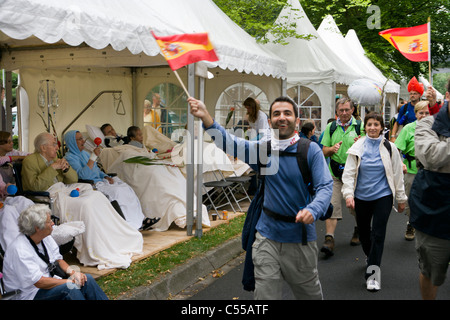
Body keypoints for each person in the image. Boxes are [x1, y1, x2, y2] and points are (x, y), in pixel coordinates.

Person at [188, 95, 333, 300]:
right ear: (270, 120)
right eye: (276, 114)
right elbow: (231, 143)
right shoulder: (263, 149)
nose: (281, 117)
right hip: (266, 238)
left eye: (287, 113)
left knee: (309, 296)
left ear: (297, 121)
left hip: (300, 240)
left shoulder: (310, 151)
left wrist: (313, 209)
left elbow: (325, 186)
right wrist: (206, 118)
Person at [20, 132, 143, 269]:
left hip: (64, 189)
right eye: (54, 144)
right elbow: (34, 186)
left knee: (97, 196)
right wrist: (53, 168)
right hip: (49, 195)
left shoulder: (58, 158)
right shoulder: (30, 161)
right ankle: (95, 247)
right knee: (86, 204)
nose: (57, 147)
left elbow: (73, 179)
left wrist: (66, 169)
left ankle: (112, 238)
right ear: (43, 148)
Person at [342, 112, 407, 291]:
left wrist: (401, 199)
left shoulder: (390, 147)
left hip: (383, 196)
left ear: (381, 127)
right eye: (369, 124)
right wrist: (348, 195)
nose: (372, 128)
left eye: (376, 125)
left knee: (378, 234)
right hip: (361, 197)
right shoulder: (357, 147)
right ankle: (371, 255)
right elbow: (348, 173)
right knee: (364, 234)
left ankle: (373, 274)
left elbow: (397, 174)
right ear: (365, 127)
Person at [2, 204, 109, 300]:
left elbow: (58, 260)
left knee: (87, 279)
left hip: (47, 283)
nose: (53, 223)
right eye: (49, 221)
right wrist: (68, 282)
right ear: (38, 228)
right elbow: (39, 282)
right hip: (28, 294)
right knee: (69, 288)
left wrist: (73, 273)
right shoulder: (19, 249)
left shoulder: (45, 237)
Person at [64, 130, 158, 231]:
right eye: (79, 139)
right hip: (90, 185)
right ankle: (128, 224)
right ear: (72, 142)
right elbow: (83, 175)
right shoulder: (69, 158)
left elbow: (96, 171)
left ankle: (140, 219)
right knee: (117, 192)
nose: (83, 141)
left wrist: (105, 176)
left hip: (101, 180)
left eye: (83, 138)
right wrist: (93, 157)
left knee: (126, 188)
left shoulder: (85, 154)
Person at [409, 79, 450, 300]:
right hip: (435, 212)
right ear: (448, 95)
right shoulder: (426, 123)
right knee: (431, 271)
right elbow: (432, 157)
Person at [320, 98, 365, 256]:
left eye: (347, 110)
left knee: (354, 205)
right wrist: (332, 149)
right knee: (331, 205)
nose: (344, 113)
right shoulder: (331, 127)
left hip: (354, 174)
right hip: (334, 173)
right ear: (337, 112)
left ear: (352, 110)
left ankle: (359, 229)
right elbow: (324, 151)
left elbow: (370, 148)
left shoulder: (360, 127)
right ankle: (329, 239)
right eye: (341, 110)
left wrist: (362, 143)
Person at [394, 101, 430, 241]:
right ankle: (411, 223)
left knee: (427, 199)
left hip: (428, 171)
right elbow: (396, 150)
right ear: (415, 114)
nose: (424, 115)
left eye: (427, 113)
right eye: (421, 113)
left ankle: (424, 225)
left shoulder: (434, 129)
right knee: (410, 199)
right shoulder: (408, 129)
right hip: (411, 170)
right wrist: (400, 164)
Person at [391, 76, 424, 142]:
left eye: (415, 94)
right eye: (411, 93)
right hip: (407, 137)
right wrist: (393, 136)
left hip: (421, 136)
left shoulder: (424, 107)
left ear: (419, 95)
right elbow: (397, 123)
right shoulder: (404, 108)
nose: (412, 95)